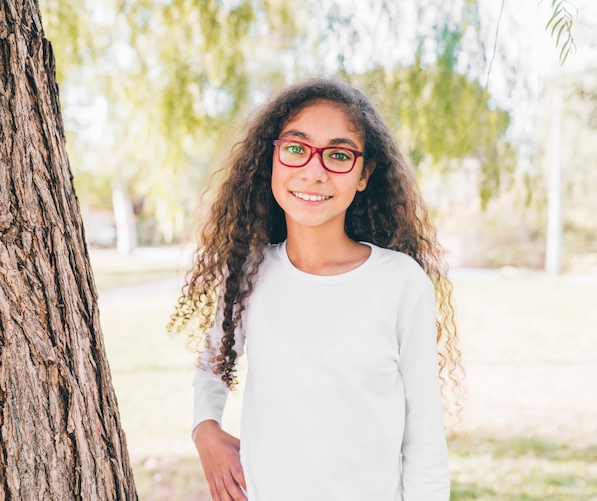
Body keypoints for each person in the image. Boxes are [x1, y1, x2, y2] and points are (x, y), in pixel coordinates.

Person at [168, 77, 462, 501]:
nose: (313, 171)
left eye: (339, 155)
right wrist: (204, 429)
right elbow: (213, 365)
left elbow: (425, 437)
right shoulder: (249, 272)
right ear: (270, 157)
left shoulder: (400, 282)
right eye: (295, 148)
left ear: (364, 174)